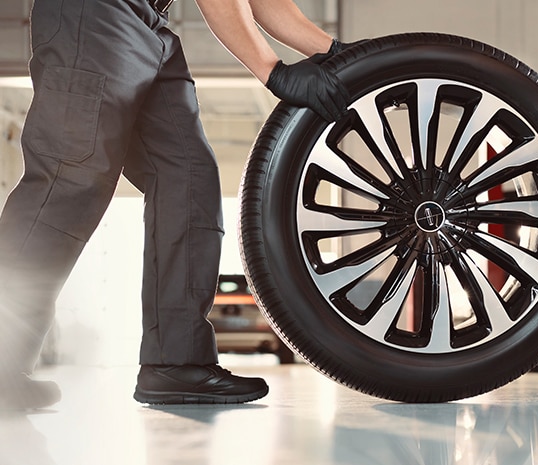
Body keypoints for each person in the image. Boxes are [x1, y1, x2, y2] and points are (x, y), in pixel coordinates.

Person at [0, 0, 351, 409]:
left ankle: (176, 363)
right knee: (68, 178)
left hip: (150, 24)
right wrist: (272, 69)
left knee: (187, 177)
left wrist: (334, 52)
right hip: (93, 13)